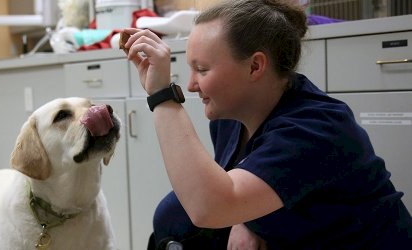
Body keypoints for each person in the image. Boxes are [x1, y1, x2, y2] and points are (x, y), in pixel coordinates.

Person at [121, 0, 412, 249]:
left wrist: (162, 97)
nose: (191, 85)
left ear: (255, 66)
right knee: (174, 221)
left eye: (202, 69)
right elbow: (244, 188)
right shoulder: (232, 119)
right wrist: (248, 219)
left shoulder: (318, 129)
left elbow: (211, 206)